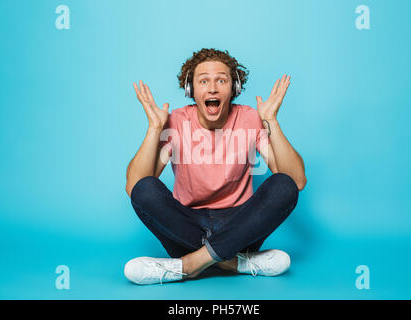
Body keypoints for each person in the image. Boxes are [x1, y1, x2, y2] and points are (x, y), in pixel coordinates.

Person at [124, 48, 307, 285]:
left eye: (221, 80)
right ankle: (235, 262)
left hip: (240, 226)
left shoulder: (250, 118)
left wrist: (270, 120)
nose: (212, 88)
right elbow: (135, 187)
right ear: (191, 90)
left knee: (284, 185)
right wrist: (154, 129)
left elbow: (297, 181)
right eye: (203, 81)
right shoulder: (176, 122)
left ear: (234, 88)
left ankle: (188, 265)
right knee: (145, 188)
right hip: (185, 227)